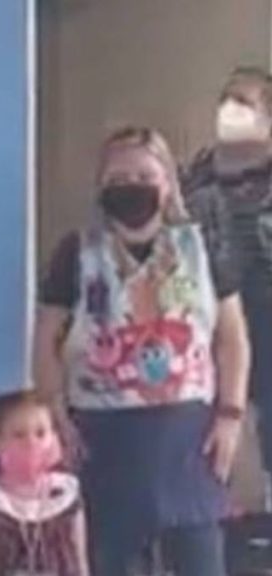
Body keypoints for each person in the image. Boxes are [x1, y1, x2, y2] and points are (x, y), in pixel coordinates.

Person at [34, 126, 251, 575]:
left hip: (189, 434)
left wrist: (231, 415)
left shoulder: (202, 247)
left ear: (168, 182)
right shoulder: (76, 253)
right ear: (100, 188)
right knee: (110, 557)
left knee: (199, 558)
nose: (131, 186)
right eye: (118, 179)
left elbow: (232, 336)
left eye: (143, 175)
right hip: (101, 432)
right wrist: (54, 413)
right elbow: (45, 337)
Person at [185, 67, 272, 488]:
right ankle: (219, 500)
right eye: (226, 98)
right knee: (216, 407)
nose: (231, 110)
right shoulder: (201, 171)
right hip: (215, 307)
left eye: (244, 102)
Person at [0, 390, 87, 576]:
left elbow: (80, 563)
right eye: (19, 435)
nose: (31, 443)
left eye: (41, 433)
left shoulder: (66, 493)